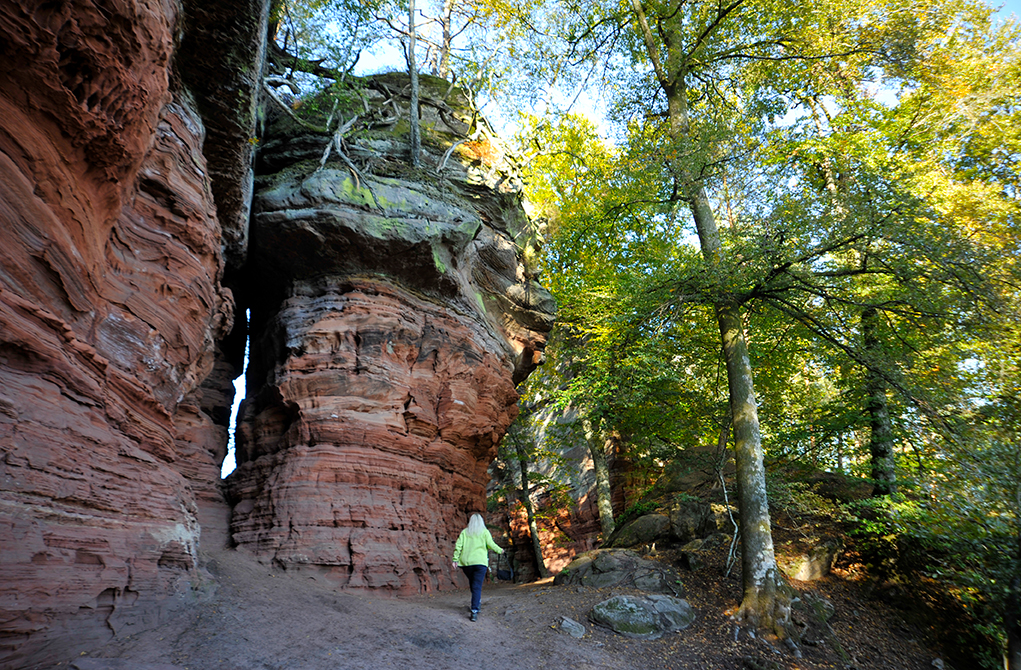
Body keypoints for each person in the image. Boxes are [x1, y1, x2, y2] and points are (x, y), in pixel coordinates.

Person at [451, 512, 504, 621]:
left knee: (473, 583)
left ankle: (476, 601)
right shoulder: (484, 532)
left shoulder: (465, 532)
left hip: (467, 564)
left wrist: (455, 559)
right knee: (476, 586)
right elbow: (491, 544)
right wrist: (500, 550)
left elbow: (458, 546)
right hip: (480, 563)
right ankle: (474, 610)